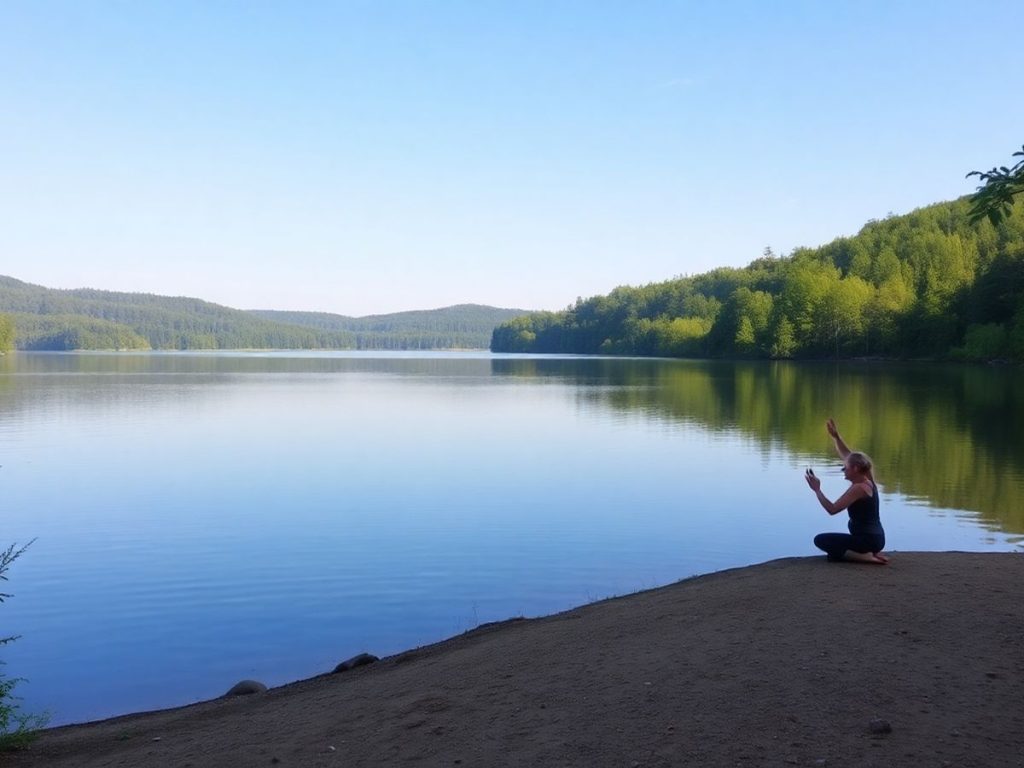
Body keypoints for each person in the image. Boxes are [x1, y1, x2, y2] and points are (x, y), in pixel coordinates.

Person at [804, 418, 888, 564]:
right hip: (876, 539)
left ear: (855, 469)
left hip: (867, 540)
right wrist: (836, 437)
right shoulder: (867, 479)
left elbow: (832, 509)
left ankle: (865, 557)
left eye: (845, 467)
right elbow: (848, 455)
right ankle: (867, 553)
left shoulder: (858, 488)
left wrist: (817, 490)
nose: (843, 470)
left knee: (821, 541)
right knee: (833, 555)